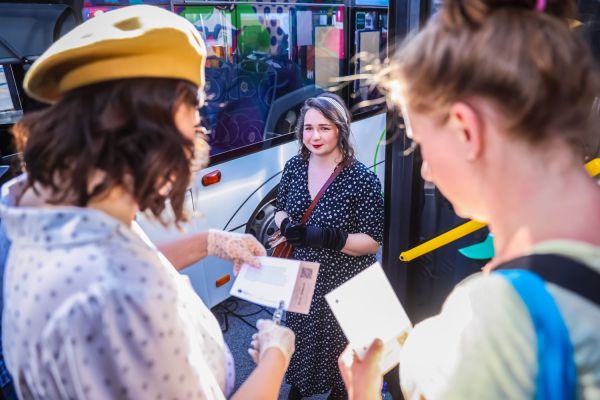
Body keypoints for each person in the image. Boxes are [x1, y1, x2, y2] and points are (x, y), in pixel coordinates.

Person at [0, 5, 295, 399]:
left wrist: (212, 241)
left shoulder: (45, 205)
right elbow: (122, 279)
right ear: (153, 127)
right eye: (194, 126)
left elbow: (130, 255)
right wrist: (275, 356)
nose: (196, 146)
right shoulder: (124, 304)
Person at [339, 0, 600, 399]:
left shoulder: (494, 323)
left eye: (422, 144)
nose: (425, 171)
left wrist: (365, 392)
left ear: (465, 130)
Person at [274, 93, 384, 399]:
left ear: (340, 130)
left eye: (324, 128)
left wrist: (326, 237)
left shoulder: (362, 178)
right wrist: (286, 226)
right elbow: (280, 207)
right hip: (304, 281)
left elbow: (373, 240)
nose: (315, 136)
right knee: (302, 353)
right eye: (308, 128)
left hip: (344, 285)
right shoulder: (296, 166)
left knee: (342, 362)